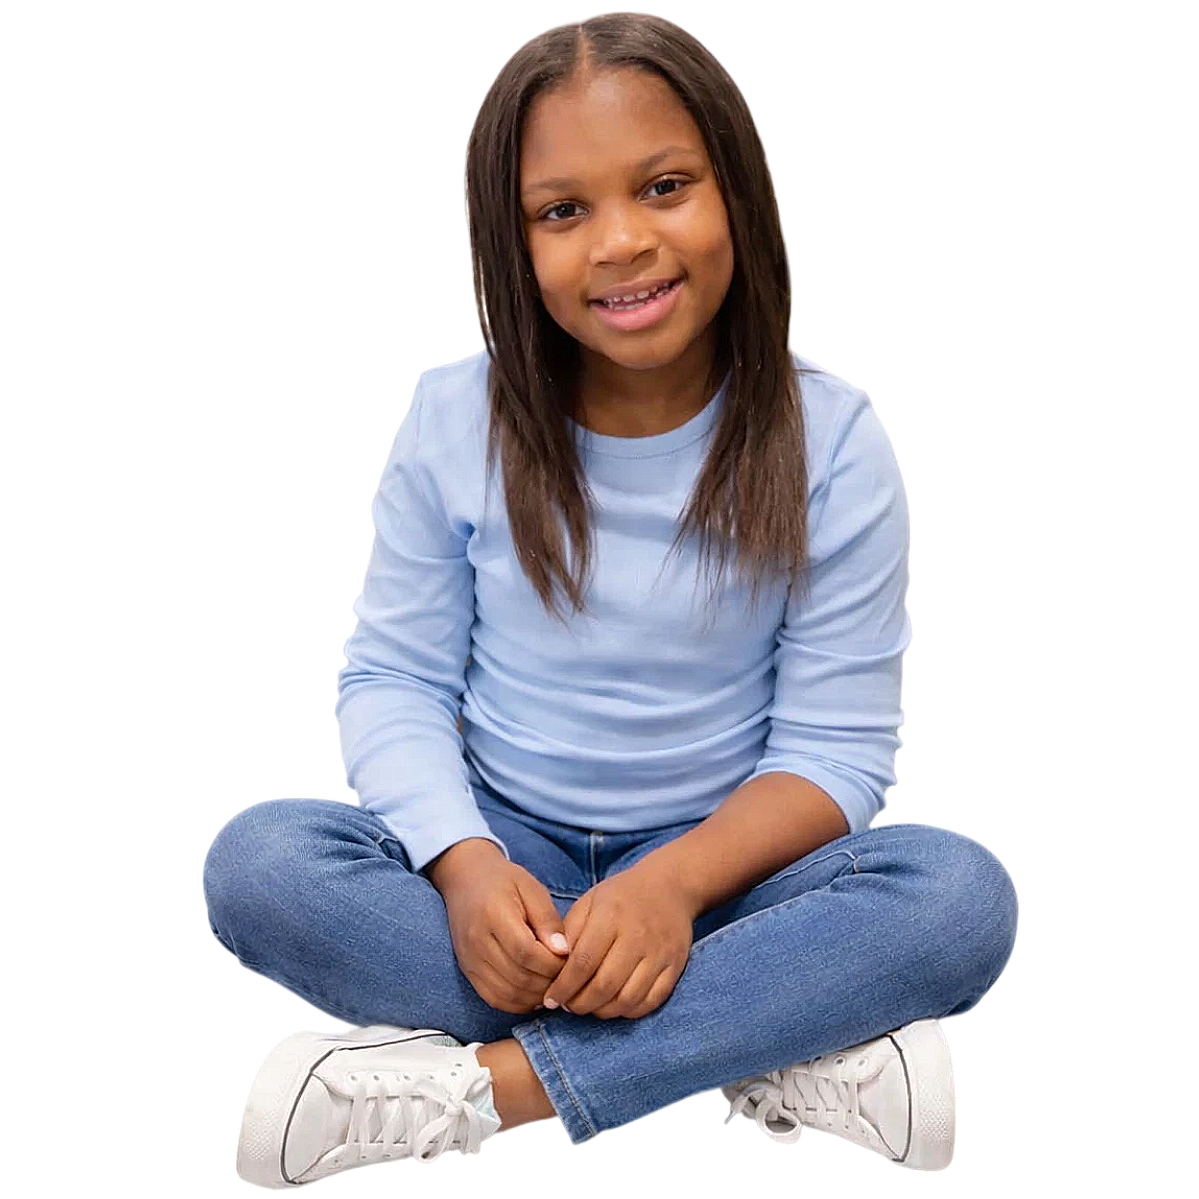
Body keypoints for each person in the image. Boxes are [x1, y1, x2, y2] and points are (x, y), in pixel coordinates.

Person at [201, 14, 1019, 1190]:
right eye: (561, 211)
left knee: (960, 898)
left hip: (726, 879)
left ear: (737, 190)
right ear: (508, 241)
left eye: (665, 186)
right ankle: (768, 1045)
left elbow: (839, 749)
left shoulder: (831, 437)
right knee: (256, 860)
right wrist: (466, 863)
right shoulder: (450, 417)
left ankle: (479, 1089)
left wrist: (671, 887)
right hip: (503, 867)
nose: (622, 242)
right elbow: (391, 682)